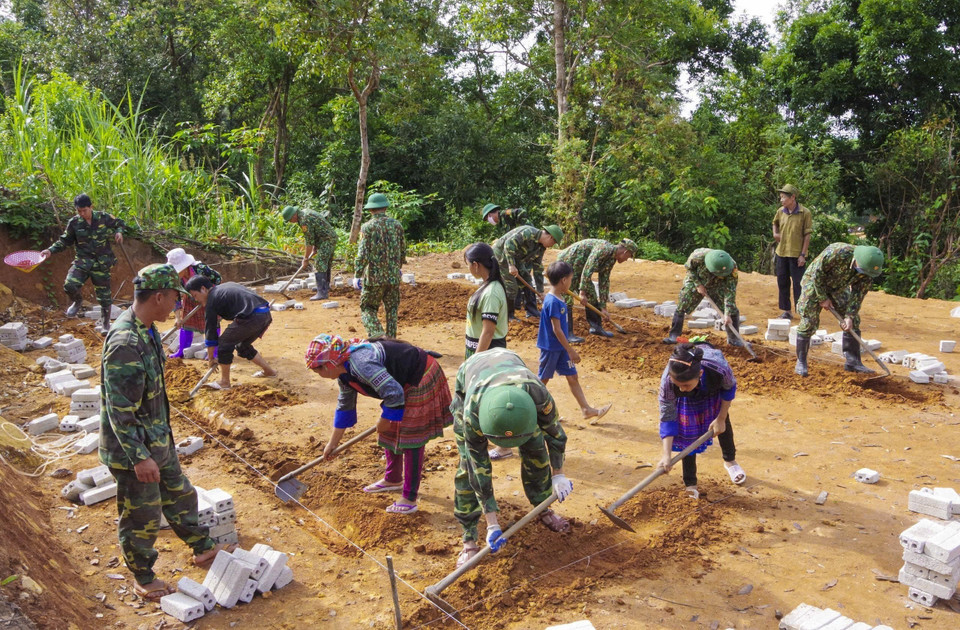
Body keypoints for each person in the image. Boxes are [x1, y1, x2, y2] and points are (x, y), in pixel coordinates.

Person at [100, 264, 236, 601]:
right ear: (158, 296)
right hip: (135, 451)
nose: (178, 305)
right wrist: (140, 457)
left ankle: (203, 547)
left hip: (157, 438)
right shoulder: (125, 343)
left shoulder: (146, 331)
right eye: (175, 298)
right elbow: (120, 411)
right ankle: (143, 577)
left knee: (180, 494)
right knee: (142, 515)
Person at [451, 348, 572, 568]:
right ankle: (469, 538)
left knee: (537, 451)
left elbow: (555, 435)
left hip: (511, 369)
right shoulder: (473, 412)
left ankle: (542, 506)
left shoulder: (536, 393)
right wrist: (492, 524)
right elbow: (478, 469)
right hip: (472, 374)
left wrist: (559, 475)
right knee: (466, 468)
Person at [305, 334, 452, 514]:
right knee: (390, 429)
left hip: (420, 375)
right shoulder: (343, 374)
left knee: (411, 436)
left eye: (318, 370)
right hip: (399, 383)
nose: (319, 375)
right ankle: (393, 479)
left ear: (329, 364)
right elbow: (345, 406)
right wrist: (333, 443)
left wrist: (385, 419)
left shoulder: (361, 364)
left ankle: (409, 498)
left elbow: (394, 393)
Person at [657, 343, 746, 500]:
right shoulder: (668, 382)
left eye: (686, 385)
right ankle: (690, 483)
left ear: (700, 373)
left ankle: (730, 461)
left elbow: (728, 389)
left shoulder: (718, 368)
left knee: (722, 425)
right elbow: (667, 417)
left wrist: (721, 418)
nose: (682, 388)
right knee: (687, 434)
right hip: (687, 402)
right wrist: (666, 455)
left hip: (712, 392)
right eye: (679, 385)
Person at [40, 193, 127, 331]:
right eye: (79, 211)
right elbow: (64, 241)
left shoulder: (104, 217)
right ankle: (77, 301)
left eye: (84, 210)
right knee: (70, 285)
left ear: (91, 207)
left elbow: (120, 223)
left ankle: (105, 323)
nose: (82, 214)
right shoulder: (74, 223)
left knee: (104, 296)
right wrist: (50, 250)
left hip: (101, 262)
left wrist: (119, 232)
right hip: (82, 261)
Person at [794, 243, 884, 377]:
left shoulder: (867, 272)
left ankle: (853, 362)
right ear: (856, 260)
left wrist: (849, 316)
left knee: (854, 321)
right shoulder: (838, 253)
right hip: (814, 283)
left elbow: (857, 295)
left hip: (838, 287)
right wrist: (822, 297)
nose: (864, 274)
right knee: (809, 321)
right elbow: (817, 274)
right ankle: (801, 361)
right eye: (863, 270)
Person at [537, 260, 613, 419]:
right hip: (552, 347)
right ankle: (529, 407)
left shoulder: (558, 298)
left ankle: (586, 409)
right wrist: (570, 350)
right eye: (571, 279)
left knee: (572, 376)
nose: (571, 282)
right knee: (542, 380)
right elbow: (556, 330)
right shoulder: (552, 302)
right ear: (564, 280)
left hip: (561, 348)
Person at [184, 276, 277, 390]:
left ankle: (224, 382)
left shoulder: (212, 300)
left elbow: (211, 331)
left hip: (251, 316)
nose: (196, 300)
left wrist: (211, 358)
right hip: (265, 314)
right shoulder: (224, 288)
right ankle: (269, 371)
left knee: (224, 343)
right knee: (242, 346)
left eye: (195, 296)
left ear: (203, 289)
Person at [557, 238, 637, 340]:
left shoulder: (611, 258)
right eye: (629, 256)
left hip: (580, 268)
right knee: (568, 298)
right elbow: (588, 269)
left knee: (592, 296)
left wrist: (603, 307)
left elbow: (604, 281)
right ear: (626, 251)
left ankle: (596, 328)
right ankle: (567, 334)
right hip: (567, 262)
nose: (626, 259)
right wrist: (582, 293)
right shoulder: (604, 249)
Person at [663, 248, 741, 347]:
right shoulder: (698, 256)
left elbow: (730, 290)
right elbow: (689, 268)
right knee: (684, 302)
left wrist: (727, 313)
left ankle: (734, 339)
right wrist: (698, 284)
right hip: (697, 279)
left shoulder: (731, 267)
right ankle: (674, 335)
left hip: (717, 285)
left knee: (732, 310)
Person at [354, 193, 406, 338]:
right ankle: (392, 341)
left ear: (371, 210)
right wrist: (397, 268)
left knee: (368, 308)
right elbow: (402, 251)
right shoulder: (397, 225)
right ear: (385, 207)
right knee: (392, 310)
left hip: (374, 279)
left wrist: (357, 274)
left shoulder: (367, 227)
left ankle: (379, 336)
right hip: (393, 277)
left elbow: (363, 254)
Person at [492, 224, 564, 321]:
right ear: (550, 237)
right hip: (502, 255)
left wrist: (540, 291)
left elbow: (537, 268)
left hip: (516, 258)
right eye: (554, 243)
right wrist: (511, 265)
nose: (552, 245)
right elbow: (508, 245)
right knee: (511, 286)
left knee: (527, 279)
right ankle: (508, 315)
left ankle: (531, 311)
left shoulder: (540, 248)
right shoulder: (529, 233)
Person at [165, 248, 222, 359]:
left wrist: (208, 294)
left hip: (208, 298)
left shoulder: (201, 269)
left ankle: (214, 352)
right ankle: (182, 351)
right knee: (186, 324)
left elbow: (218, 279)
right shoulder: (176, 278)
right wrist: (177, 318)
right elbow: (175, 295)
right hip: (190, 299)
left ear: (185, 266)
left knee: (212, 323)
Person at [772, 184, 813, 319]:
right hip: (782, 252)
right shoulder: (780, 211)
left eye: (783, 197)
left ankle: (801, 311)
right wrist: (775, 234)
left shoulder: (804, 213)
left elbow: (807, 235)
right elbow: (775, 223)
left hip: (796, 255)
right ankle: (786, 311)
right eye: (781, 198)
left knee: (798, 284)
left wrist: (803, 255)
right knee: (782, 282)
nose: (781, 200)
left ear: (793, 197)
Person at [282, 205, 338, 301]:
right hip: (328, 238)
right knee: (325, 263)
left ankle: (322, 293)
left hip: (327, 240)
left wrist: (306, 258)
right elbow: (316, 230)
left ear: (294, 215)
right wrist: (316, 246)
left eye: (290, 220)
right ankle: (325, 287)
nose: (291, 222)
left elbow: (309, 242)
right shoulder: (305, 213)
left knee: (320, 263)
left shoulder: (304, 220)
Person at [463, 243, 508, 360]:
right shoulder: (488, 286)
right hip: (480, 350)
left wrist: (476, 361)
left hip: (486, 354)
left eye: (468, 265)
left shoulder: (491, 292)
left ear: (476, 265)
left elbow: (488, 333)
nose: (468, 269)